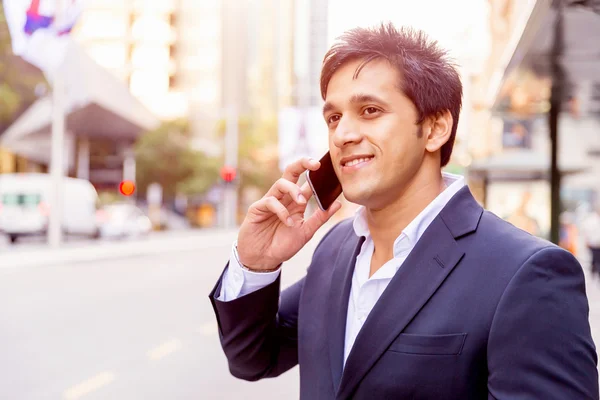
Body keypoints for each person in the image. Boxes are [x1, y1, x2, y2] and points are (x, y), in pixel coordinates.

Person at [208, 24, 598, 399]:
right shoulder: (335, 249)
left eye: (371, 110)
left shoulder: (528, 274)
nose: (343, 134)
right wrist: (255, 264)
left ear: (434, 129)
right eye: (334, 117)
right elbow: (253, 359)